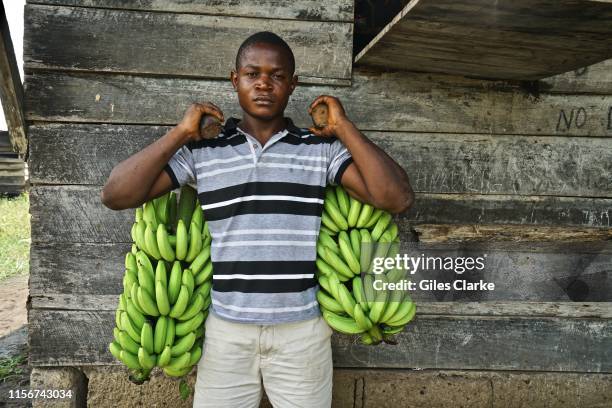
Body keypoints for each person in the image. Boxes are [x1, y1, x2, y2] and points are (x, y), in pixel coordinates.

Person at [101, 31, 414, 408]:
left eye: (277, 75)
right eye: (252, 73)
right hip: (226, 332)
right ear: (235, 80)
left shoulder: (319, 151)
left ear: (292, 84)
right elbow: (116, 194)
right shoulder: (203, 154)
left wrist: (344, 129)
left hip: (302, 333)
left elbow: (395, 197)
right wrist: (182, 133)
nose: (264, 83)